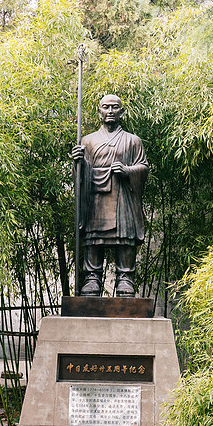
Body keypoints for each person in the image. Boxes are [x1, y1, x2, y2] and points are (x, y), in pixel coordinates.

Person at [69, 94, 149, 297]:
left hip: (122, 194)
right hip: (96, 197)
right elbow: (79, 175)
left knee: (125, 237)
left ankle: (125, 278)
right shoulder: (88, 141)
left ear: (121, 112)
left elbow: (143, 168)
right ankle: (92, 278)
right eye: (106, 107)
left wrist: (127, 171)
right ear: (99, 112)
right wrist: (79, 163)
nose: (111, 111)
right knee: (94, 237)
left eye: (115, 107)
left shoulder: (133, 141)